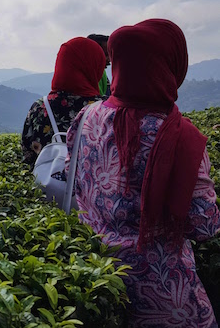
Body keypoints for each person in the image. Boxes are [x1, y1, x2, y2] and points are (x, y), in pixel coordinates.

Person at [66, 19, 220, 327]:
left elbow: (78, 182)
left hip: (98, 278)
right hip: (166, 294)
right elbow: (205, 225)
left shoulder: (87, 117)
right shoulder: (180, 138)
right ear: (172, 65)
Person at [21, 37, 105, 169]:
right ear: (96, 67)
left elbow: (28, 156)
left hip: (47, 187)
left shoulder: (39, 108)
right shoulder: (106, 110)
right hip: (92, 188)